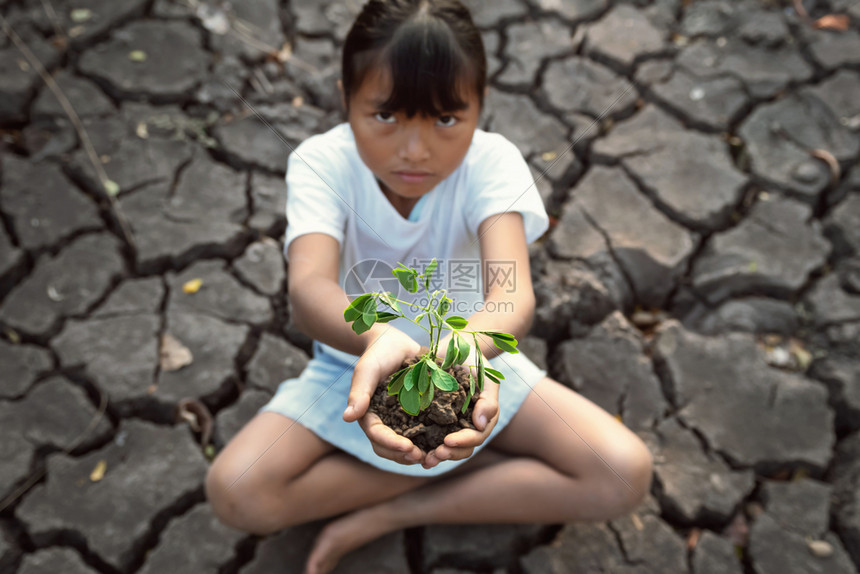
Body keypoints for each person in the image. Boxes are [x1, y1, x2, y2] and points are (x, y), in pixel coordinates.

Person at [206, 1, 653, 572]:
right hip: (352, 366)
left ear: (479, 107)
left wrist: (463, 355)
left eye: (445, 120)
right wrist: (378, 341)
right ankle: (469, 461)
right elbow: (310, 285)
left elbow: (510, 296)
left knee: (621, 472)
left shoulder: (491, 164)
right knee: (237, 490)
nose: (414, 149)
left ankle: (399, 510)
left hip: (471, 361)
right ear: (347, 97)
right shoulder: (322, 163)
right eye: (386, 117)